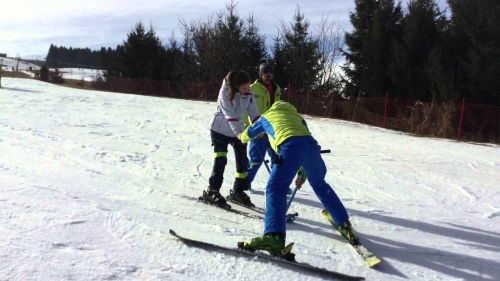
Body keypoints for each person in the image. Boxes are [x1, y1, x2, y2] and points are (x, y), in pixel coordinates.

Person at [238, 100, 354, 256]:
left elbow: (249, 134)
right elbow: (303, 141)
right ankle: (343, 221)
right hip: (312, 149)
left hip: (289, 146)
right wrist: (302, 172)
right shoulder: (297, 116)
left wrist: (240, 136)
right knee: (320, 184)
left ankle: (273, 236)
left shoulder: (267, 116)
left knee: (275, 189)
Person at [202, 70, 261, 208]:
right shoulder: (225, 92)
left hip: (239, 130)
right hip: (220, 130)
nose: (248, 90)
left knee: (242, 161)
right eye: (244, 88)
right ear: (235, 86)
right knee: (221, 159)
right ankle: (213, 190)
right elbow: (230, 115)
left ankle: (238, 191)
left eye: (249, 87)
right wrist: (239, 133)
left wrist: (259, 128)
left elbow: (254, 112)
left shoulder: (248, 92)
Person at [245, 61, 282, 187]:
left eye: (270, 73)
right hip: (258, 128)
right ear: (260, 74)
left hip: (273, 128)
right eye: (265, 73)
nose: (268, 75)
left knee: (277, 158)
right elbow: (245, 108)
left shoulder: (277, 88)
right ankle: (245, 183)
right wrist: (246, 125)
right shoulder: (252, 89)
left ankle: (276, 184)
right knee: (256, 159)